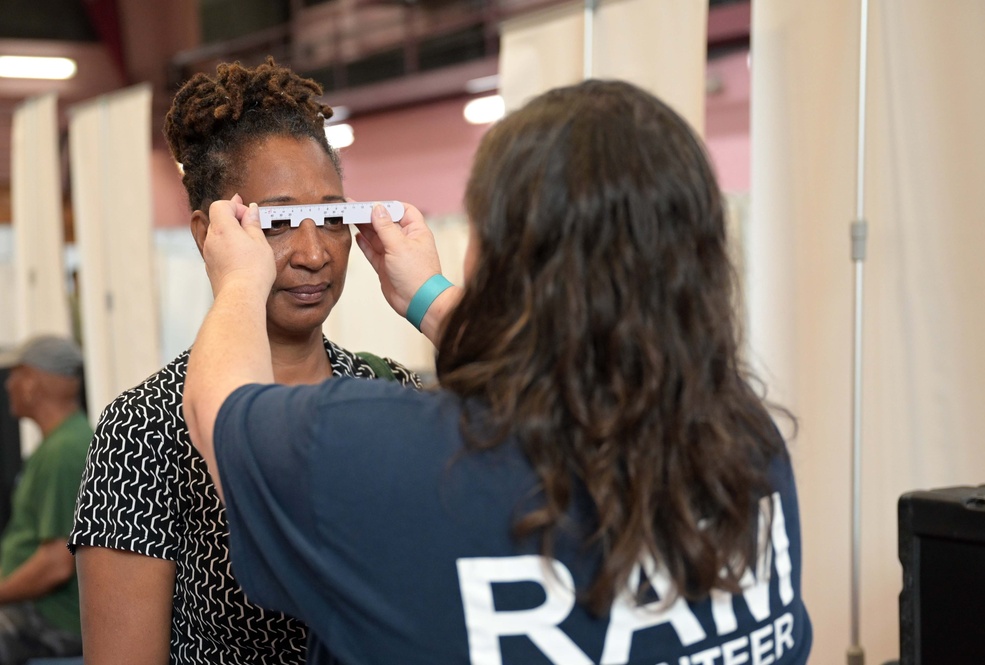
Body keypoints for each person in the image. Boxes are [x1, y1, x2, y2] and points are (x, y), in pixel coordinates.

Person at [185, 79, 813, 664]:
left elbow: (223, 410)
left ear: (498, 256)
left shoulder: (389, 457)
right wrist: (430, 297)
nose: (314, 249)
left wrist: (240, 282)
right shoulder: (747, 445)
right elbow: (569, 362)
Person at [68, 58, 421, 664]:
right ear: (209, 234)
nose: (314, 253)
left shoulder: (391, 392)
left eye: (334, 217)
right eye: (278, 222)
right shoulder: (143, 432)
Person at [0, 334, 91, 663]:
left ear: (32, 383)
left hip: (52, 619)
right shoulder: (62, 443)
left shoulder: (65, 451)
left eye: (16, 374)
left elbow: (56, 565)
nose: (9, 384)